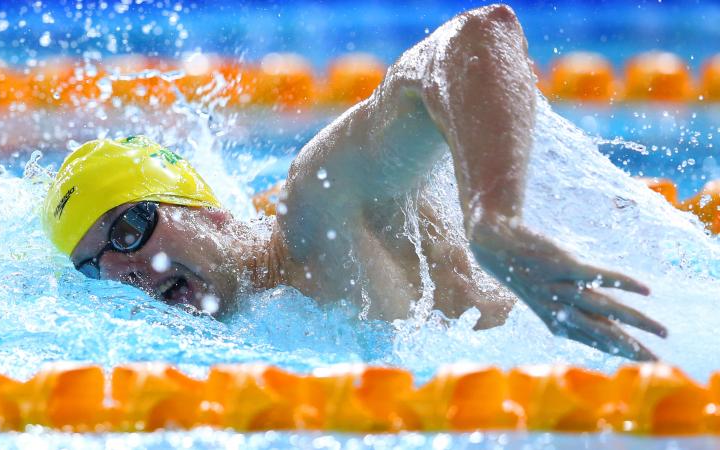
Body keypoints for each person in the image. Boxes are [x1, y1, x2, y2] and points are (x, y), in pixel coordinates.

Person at [42, 4, 667, 361]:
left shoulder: (319, 208)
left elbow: (477, 35)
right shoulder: (255, 326)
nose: (126, 272)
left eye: (129, 228)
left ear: (202, 209)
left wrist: (494, 218)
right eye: (94, 267)